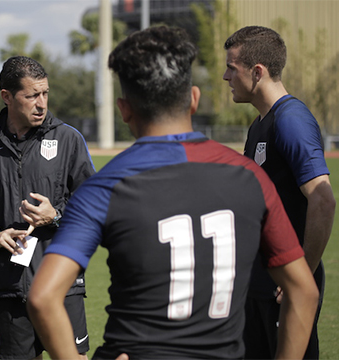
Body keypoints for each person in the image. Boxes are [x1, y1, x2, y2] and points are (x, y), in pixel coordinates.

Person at [27, 26, 319, 360]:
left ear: (124, 110)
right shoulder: (250, 176)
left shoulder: (103, 187)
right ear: (193, 99)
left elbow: (43, 297)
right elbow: (303, 291)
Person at [0, 55, 95, 360]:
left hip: (62, 285)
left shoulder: (69, 140)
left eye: (45, 93)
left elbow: (93, 206)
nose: (41, 103)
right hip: (10, 288)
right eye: (31, 95)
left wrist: (55, 216)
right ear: (7, 96)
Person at [223, 26, 336, 359]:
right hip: (258, 281)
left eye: (232, 67)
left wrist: (301, 276)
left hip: (283, 286)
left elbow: (323, 198)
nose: (225, 76)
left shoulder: (291, 120)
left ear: (257, 72)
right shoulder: (260, 123)